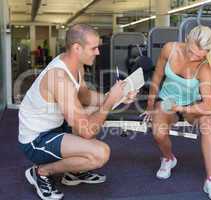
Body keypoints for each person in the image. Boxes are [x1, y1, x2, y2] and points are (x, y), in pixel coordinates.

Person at [18, 24, 137, 200]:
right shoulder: (59, 78)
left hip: (55, 126)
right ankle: (41, 172)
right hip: (36, 139)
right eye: (94, 48)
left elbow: (85, 96)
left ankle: (74, 171)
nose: (98, 52)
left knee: (90, 110)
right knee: (100, 154)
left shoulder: (74, 65)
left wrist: (116, 97)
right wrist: (110, 101)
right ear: (76, 48)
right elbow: (87, 132)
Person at [142, 25, 211, 200]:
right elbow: (157, 76)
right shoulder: (169, 49)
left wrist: (180, 108)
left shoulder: (205, 68)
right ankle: (168, 158)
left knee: (207, 123)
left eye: (200, 54)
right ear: (187, 39)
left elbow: (208, 106)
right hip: (166, 100)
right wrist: (150, 104)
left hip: (192, 105)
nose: (195, 56)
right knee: (158, 132)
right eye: (192, 51)